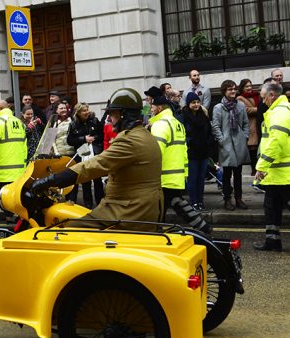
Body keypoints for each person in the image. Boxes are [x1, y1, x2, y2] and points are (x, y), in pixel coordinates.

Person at [29, 88, 163, 232]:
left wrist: (52, 180)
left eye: (112, 113)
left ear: (123, 114)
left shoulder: (130, 140)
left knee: (69, 231)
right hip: (140, 204)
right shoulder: (144, 134)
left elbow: (95, 165)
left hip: (128, 208)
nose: (109, 118)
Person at [149, 95, 211, 234]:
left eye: (152, 106)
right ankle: (203, 227)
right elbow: (183, 150)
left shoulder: (159, 125)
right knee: (177, 203)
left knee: (159, 209)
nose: (151, 109)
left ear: (159, 108)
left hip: (163, 176)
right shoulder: (176, 123)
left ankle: (157, 235)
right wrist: (184, 172)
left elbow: (155, 153)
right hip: (176, 175)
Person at [253, 83, 290, 252]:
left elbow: (276, 142)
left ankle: (273, 241)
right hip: (278, 173)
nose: (263, 100)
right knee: (271, 207)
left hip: (283, 173)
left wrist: (261, 166)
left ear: (272, 95)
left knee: (273, 207)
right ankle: (272, 241)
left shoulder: (280, 113)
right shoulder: (280, 110)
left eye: (263, 96)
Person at [0, 100, 27, 222]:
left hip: (3, 171)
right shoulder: (18, 122)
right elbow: (24, 146)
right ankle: (16, 218)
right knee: (15, 197)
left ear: (0, 108)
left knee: (1, 199)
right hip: (18, 171)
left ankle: (11, 220)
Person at [212, 80, 250, 211]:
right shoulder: (218, 107)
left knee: (238, 174)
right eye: (229, 89)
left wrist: (244, 136)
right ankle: (227, 199)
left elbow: (245, 123)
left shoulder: (240, 106)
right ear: (224, 92)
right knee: (227, 175)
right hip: (226, 145)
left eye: (234, 89)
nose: (233, 91)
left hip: (239, 143)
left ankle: (239, 198)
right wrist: (222, 141)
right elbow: (216, 126)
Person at [66, 102, 104, 208]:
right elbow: (69, 140)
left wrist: (94, 138)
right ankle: (88, 205)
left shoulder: (94, 121)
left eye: (87, 110)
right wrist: (83, 139)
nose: (86, 112)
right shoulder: (73, 124)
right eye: (84, 110)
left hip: (95, 153)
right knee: (85, 180)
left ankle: (100, 203)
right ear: (78, 112)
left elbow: (101, 135)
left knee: (97, 179)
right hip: (82, 155)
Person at [182, 92, 214, 211]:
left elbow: (209, 132)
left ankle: (200, 201)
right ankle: (194, 202)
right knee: (192, 179)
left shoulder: (204, 116)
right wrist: (189, 144)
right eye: (193, 102)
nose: (196, 104)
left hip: (203, 152)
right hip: (191, 153)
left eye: (197, 102)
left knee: (201, 180)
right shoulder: (184, 116)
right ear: (188, 104)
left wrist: (208, 143)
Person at [237, 79, 260, 176]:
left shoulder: (257, 95)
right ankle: (254, 169)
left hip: (259, 125)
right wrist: (259, 109)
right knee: (253, 149)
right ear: (242, 88)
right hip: (250, 126)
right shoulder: (240, 98)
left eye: (250, 85)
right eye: (246, 86)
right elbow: (246, 110)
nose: (249, 88)